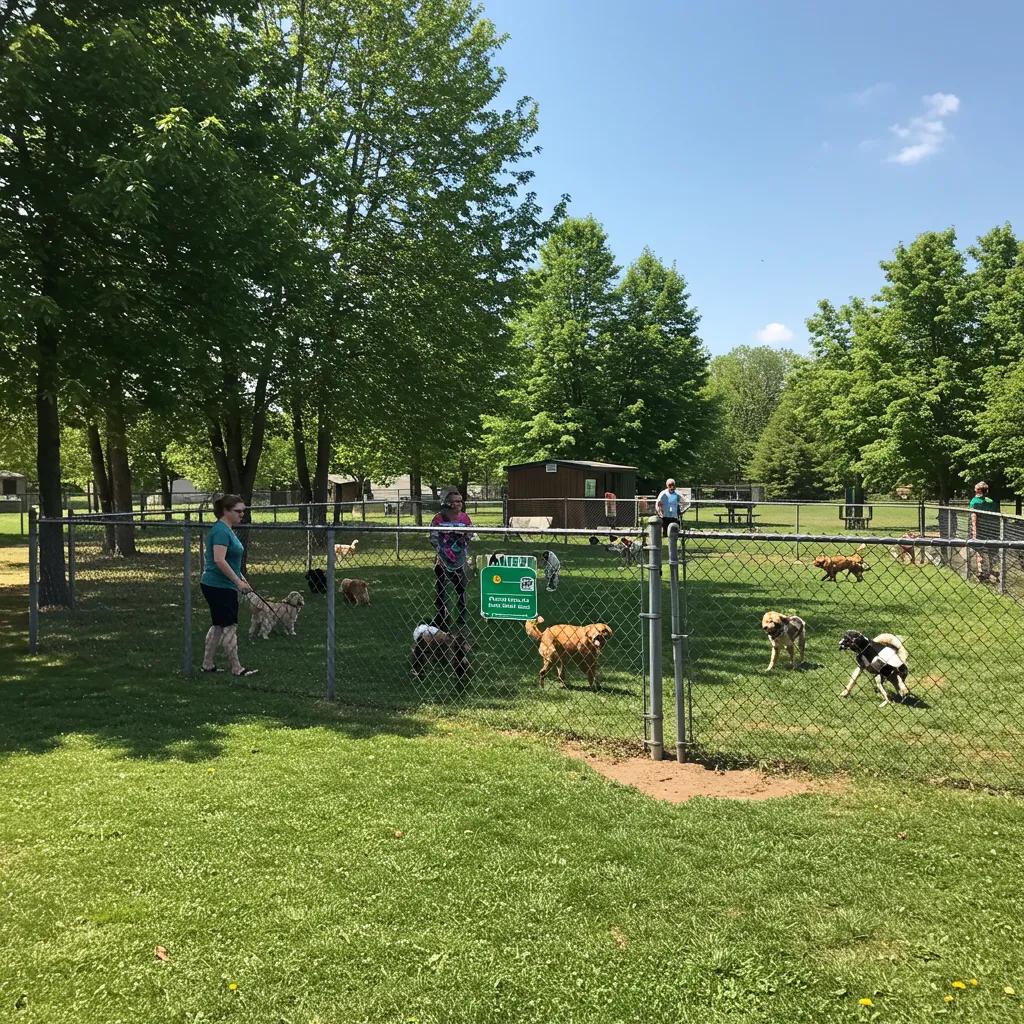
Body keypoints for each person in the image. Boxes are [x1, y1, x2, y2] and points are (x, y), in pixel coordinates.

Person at [200, 493, 258, 676]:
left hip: (222, 584)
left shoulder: (227, 529)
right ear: (225, 511)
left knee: (218, 625)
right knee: (229, 626)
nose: (242, 514)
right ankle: (237, 668)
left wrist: (241, 578)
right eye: (238, 511)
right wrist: (237, 582)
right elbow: (219, 560)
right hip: (219, 586)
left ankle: (207, 664)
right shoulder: (221, 531)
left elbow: (230, 560)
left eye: (243, 511)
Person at [429, 488, 473, 629]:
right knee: (441, 590)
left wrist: (459, 547)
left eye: (460, 501)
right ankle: (442, 617)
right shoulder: (438, 518)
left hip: (460, 559)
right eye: (455, 502)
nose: (459, 504)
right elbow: (433, 537)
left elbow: (470, 535)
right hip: (442, 560)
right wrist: (444, 551)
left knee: (461, 589)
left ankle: (461, 616)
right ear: (447, 503)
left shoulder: (465, 518)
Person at [969, 481, 1000, 582]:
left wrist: (974, 531)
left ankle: (981, 572)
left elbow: (974, 517)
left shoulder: (974, 501)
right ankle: (990, 570)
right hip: (992, 530)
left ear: (978, 490)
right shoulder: (991, 501)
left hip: (980, 530)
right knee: (991, 551)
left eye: (975, 488)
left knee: (979, 551)